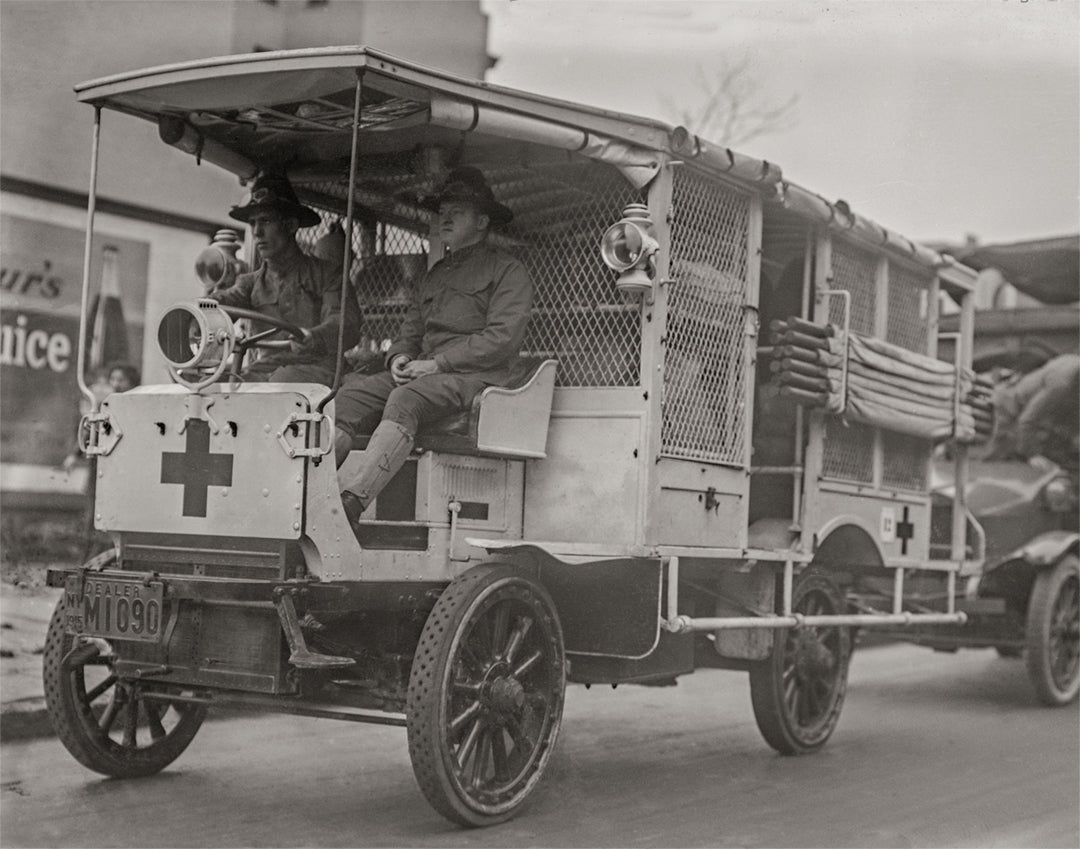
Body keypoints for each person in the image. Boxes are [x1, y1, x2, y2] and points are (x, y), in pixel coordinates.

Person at [332, 167, 533, 522]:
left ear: (483, 221)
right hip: (426, 373)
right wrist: (400, 356)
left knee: (405, 398)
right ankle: (308, 497)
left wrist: (437, 364)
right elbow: (411, 329)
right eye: (443, 212)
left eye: (457, 212)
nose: (445, 218)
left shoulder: (508, 271)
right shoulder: (435, 274)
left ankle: (350, 505)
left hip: (477, 379)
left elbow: (501, 339)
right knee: (349, 398)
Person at [210, 174, 361, 383]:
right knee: (205, 385)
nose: (257, 232)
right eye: (253, 223)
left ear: (290, 225)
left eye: (266, 221)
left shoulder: (328, 275)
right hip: (266, 372)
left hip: (321, 375)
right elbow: (228, 299)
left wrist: (315, 336)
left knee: (278, 382)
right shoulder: (250, 283)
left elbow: (346, 323)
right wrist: (206, 307)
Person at [984, 353, 1080, 470]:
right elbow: (1027, 421)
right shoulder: (1060, 385)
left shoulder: (1074, 362)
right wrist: (1032, 455)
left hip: (1027, 410)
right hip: (1008, 408)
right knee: (997, 463)